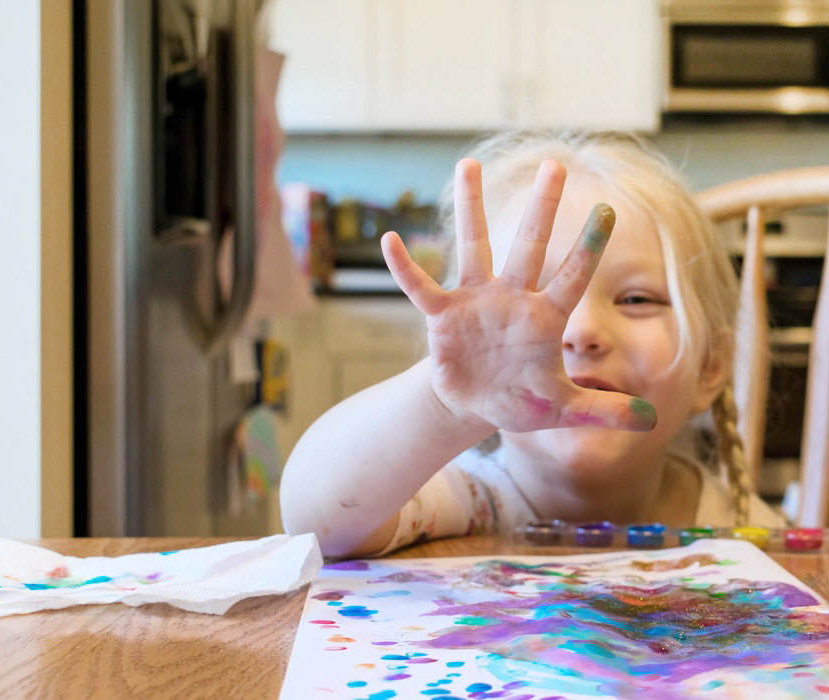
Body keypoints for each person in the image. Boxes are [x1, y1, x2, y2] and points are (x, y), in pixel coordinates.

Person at [280, 130, 786, 558]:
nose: (582, 332)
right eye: (527, 306)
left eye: (635, 299)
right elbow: (315, 523)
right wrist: (444, 405)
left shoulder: (737, 527)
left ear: (710, 366)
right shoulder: (475, 500)